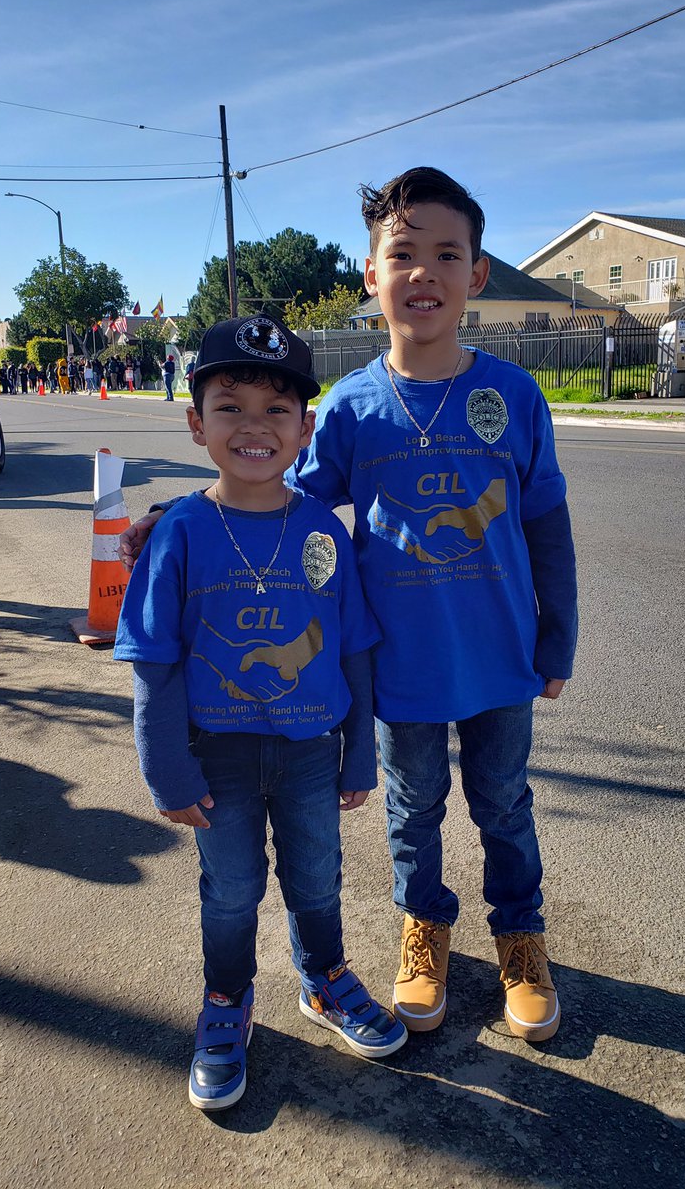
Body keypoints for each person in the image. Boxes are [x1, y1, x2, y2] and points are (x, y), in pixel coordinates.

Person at [120, 168, 578, 1044]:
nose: (423, 273)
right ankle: (424, 930)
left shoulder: (514, 397)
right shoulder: (353, 408)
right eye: (401, 254)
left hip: (501, 657)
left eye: (447, 254)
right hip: (397, 664)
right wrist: (169, 514)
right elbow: (261, 481)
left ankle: (521, 937)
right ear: (372, 275)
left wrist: (559, 638)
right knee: (414, 811)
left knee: (505, 805)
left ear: (477, 275)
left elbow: (547, 525)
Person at [113, 315, 407, 1112]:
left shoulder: (322, 531)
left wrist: (358, 752)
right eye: (230, 405)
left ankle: (324, 979)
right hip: (218, 756)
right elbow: (155, 661)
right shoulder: (178, 533)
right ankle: (226, 1001)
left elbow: (352, 648)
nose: (254, 426)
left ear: (305, 429)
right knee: (232, 889)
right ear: (195, 422)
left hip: (312, 748)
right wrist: (165, 767)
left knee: (318, 876)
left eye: (277, 410)